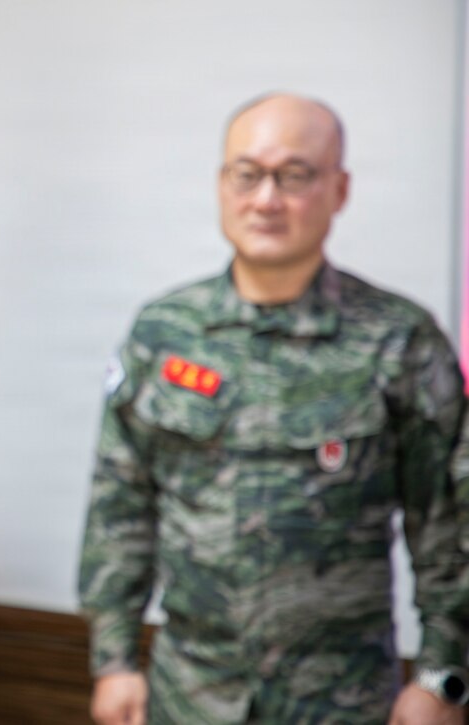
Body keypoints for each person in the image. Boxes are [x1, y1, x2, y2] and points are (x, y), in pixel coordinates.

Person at [78, 93, 469, 724]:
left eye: (294, 176)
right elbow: (120, 506)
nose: (266, 199)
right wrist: (115, 659)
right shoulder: (163, 332)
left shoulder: (400, 340)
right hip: (189, 695)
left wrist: (444, 675)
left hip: (344, 701)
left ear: (339, 190)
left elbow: (448, 526)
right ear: (221, 184)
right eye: (248, 174)